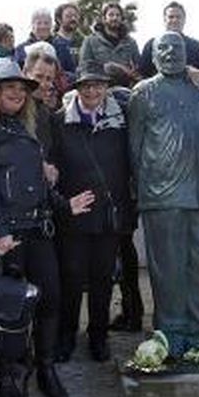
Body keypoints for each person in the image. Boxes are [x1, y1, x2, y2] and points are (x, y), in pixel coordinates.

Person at [0, 58, 79, 397]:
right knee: (9, 308)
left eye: (21, 88)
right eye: (9, 87)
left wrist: (64, 205)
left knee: (50, 298)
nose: (16, 93)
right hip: (9, 234)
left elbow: (38, 183)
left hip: (38, 227)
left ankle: (44, 367)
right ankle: (6, 374)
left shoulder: (27, 129)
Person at [127, 33, 199, 358]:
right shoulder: (143, 92)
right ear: (153, 58)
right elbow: (134, 147)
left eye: (176, 48)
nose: (169, 54)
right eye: (162, 49)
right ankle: (171, 331)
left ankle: (198, 330)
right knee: (168, 269)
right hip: (160, 194)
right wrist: (143, 190)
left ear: (187, 53)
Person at [52, 66, 135, 364]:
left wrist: (127, 208)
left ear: (106, 88)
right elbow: (51, 167)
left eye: (98, 86)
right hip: (74, 212)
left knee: (102, 278)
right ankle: (66, 335)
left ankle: (99, 336)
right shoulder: (60, 121)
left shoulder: (121, 121)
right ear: (77, 88)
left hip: (108, 213)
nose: (91, 92)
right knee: (71, 277)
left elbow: (130, 164)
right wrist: (63, 202)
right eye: (86, 86)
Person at [137, 1, 199, 74]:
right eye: (171, 17)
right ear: (165, 20)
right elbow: (143, 73)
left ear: (184, 20)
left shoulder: (197, 47)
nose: (175, 20)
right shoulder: (152, 45)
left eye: (178, 17)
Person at [79, 2, 139, 88]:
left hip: (126, 89)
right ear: (104, 18)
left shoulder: (131, 43)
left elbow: (138, 70)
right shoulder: (90, 41)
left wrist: (130, 73)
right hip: (99, 90)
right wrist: (110, 68)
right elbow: (84, 68)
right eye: (111, 15)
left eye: (118, 15)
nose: (115, 18)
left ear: (122, 19)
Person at [17, 8, 77, 76]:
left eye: (46, 23)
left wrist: (58, 75)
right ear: (32, 25)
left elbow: (73, 72)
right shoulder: (21, 49)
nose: (43, 26)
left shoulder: (62, 47)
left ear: (51, 25)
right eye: (39, 23)